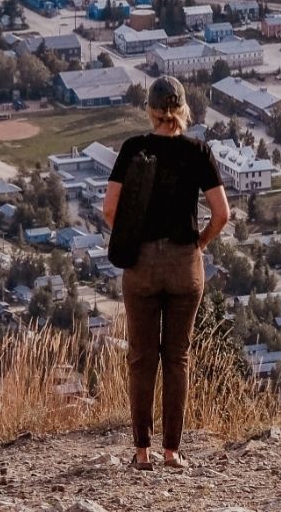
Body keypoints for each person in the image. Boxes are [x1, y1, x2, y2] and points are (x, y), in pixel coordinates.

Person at [103, 74, 230, 471]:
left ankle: (142, 452)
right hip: (183, 265)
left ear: (151, 111)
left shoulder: (133, 149)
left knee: (142, 358)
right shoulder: (198, 152)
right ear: (182, 110)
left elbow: (109, 210)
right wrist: (199, 244)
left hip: (140, 265)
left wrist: (133, 239)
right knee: (178, 357)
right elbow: (222, 214)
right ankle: (173, 452)